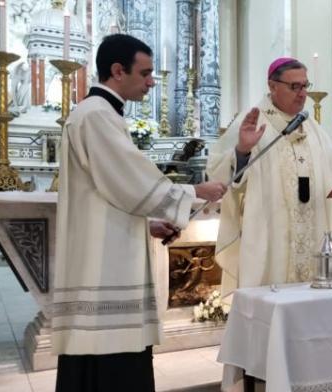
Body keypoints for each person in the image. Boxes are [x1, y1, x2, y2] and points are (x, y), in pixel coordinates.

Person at [52, 34, 226, 392]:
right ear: (118, 70)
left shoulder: (99, 114)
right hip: (103, 269)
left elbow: (107, 194)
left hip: (107, 251)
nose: (151, 82)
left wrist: (146, 224)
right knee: (110, 362)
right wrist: (195, 191)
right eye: (145, 73)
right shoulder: (96, 115)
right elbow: (129, 181)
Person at [206, 57, 332, 292]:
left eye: (305, 86)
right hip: (270, 243)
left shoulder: (313, 129)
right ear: (272, 86)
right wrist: (242, 150)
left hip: (314, 240)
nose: (302, 94)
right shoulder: (251, 122)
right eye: (295, 87)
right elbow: (221, 175)